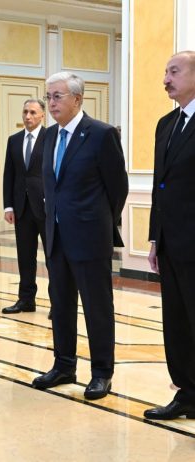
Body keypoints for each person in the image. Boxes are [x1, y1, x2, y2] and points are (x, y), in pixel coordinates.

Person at [31, 73, 128, 400]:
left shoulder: (100, 134)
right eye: (48, 96)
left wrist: (98, 221)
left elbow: (118, 188)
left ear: (77, 99)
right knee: (60, 305)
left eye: (57, 96)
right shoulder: (49, 135)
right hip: (56, 237)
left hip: (90, 237)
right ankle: (64, 365)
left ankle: (101, 373)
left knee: (97, 307)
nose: (51, 103)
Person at [145, 51, 195, 420]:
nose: (165, 79)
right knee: (176, 322)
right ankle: (187, 393)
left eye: (174, 72)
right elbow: (158, 185)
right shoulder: (166, 123)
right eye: (165, 72)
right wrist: (154, 237)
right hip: (170, 242)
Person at [1, 99, 49, 316]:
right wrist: (8, 206)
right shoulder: (14, 140)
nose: (28, 116)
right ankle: (26, 299)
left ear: (42, 115)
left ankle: (58, 303)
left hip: (46, 208)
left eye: (32, 112)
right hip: (21, 208)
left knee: (53, 258)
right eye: (25, 112)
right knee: (25, 257)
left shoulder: (51, 137)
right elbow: (9, 175)